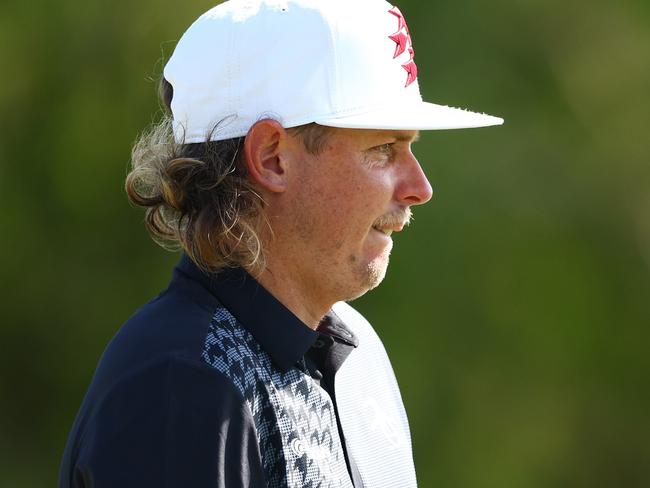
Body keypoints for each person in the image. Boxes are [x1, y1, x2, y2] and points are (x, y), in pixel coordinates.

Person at [59, 0, 502, 486]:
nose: (420, 186)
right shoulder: (181, 384)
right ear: (272, 158)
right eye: (383, 149)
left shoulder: (357, 357)